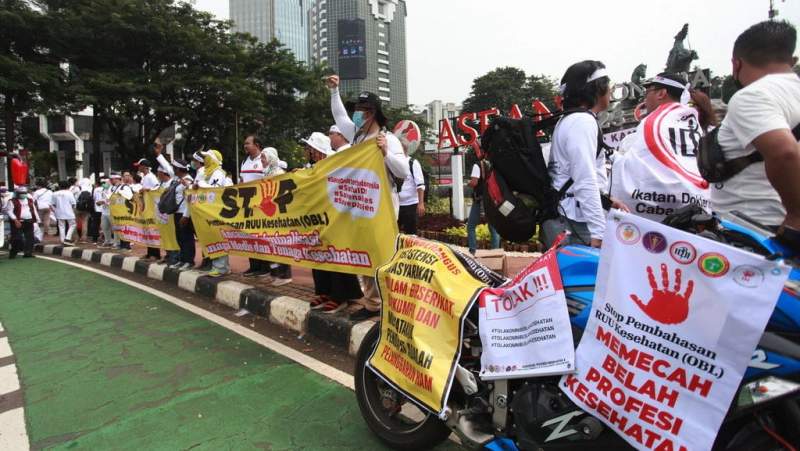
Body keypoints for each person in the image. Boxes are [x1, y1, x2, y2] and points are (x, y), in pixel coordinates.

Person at [326, 75, 409, 321]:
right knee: (365, 255)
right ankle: (373, 303)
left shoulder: (388, 139)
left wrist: (385, 153)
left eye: (361, 110)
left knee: (382, 257)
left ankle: (389, 303)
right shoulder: (358, 136)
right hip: (361, 206)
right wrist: (334, 91)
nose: (356, 114)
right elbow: (339, 117)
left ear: (372, 113)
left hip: (384, 207)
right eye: (356, 109)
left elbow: (402, 171)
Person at [711, 20, 800, 244]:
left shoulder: (752, 96)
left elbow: (784, 152)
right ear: (791, 60)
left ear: (736, 64)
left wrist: (796, 216)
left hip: (759, 230)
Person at [610, 73, 711, 221]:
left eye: (648, 92)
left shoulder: (655, 121)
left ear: (661, 93)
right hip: (696, 201)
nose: (645, 98)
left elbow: (634, 163)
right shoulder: (690, 121)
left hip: (656, 208)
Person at [541, 60, 616, 248]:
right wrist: (598, 231)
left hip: (567, 214)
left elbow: (570, 175)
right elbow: (584, 179)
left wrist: (607, 202)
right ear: (597, 89)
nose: (611, 91)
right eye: (609, 85)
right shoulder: (582, 122)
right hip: (577, 223)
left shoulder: (570, 119)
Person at [301, 132, 364, 313]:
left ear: (317, 150)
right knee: (319, 252)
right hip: (318, 217)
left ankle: (340, 295)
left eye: (310, 148)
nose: (308, 151)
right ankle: (325, 291)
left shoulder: (335, 164)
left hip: (336, 216)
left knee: (336, 254)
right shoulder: (313, 166)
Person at [240, 135, 274, 278]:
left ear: (257, 145)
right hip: (248, 205)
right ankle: (254, 266)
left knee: (262, 236)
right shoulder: (244, 161)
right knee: (250, 236)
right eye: (245, 143)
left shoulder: (265, 158)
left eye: (248, 143)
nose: (245, 146)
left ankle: (265, 267)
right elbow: (242, 180)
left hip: (262, 206)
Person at [195, 149, 232, 277]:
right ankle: (218, 266)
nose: (204, 160)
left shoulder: (218, 173)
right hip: (209, 211)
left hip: (217, 211)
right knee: (213, 238)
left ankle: (221, 267)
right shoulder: (207, 173)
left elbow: (214, 190)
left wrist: (201, 184)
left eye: (207, 157)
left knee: (219, 238)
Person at [466, 161, 501, 254]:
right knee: (493, 228)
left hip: (480, 200)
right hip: (492, 200)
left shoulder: (477, 165)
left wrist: (468, 183)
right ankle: (495, 252)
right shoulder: (493, 164)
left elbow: (474, 182)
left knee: (471, 226)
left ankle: (472, 250)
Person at [397, 145, 426, 235]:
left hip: (410, 204)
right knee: (393, 233)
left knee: (411, 233)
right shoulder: (394, 163)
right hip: (396, 204)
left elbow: (420, 185)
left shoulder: (412, 163)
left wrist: (421, 203)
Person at [5, 186, 40, 258]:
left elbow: (34, 210)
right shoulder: (12, 201)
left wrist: (37, 219)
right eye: (21, 193)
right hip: (18, 222)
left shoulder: (30, 200)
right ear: (17, 194)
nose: (23, 194)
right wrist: (15, 220)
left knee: (30, 238)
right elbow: (9, 211)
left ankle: (28, 253)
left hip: (29, 221)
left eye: (24, 193)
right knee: (17, 238)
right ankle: (13, 252)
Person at [51, 180, 77, 245]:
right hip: (69, 212)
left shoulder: (55, 193)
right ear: (68, 186)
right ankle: (67, 238)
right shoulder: (69, 193)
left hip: (59, 212)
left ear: (59, 186)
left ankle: (62, 240)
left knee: (61, 226)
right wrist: (73, 210)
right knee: (73, 225)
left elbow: (53, 204)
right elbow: (73, 203)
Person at [97, 173, 120, 248]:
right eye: (102, 183)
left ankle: (117, 243)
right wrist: (99, 202)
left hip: (112, 211)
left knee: (115, 228)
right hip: (104, 211)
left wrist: (104, 201)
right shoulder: (103, 189)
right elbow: (104, 198)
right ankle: (108, 241)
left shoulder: (114, 189)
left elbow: (113, 199)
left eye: (105, 182)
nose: (103, 184)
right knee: (105, 227)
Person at [88, 178, 104, 243]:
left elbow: (93, 198)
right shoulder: (106, 189)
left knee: (96, 224)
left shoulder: (96, 189)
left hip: (97, 209)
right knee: (104, 224)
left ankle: (95, 238)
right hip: (104, 209)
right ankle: (103, 237)